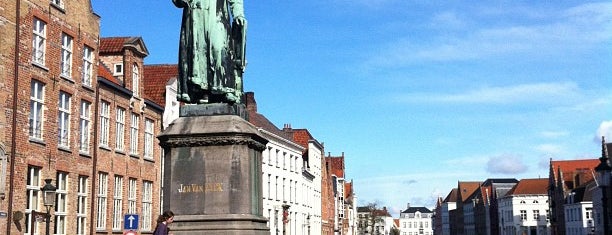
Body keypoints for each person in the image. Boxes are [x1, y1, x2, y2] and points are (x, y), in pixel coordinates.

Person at [173, 0, 247, 104]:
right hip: (196, 12)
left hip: (218, 13)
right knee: (198, 53)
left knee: (220, 48)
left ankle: (225, 88)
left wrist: (238, 13)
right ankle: (202, 91)